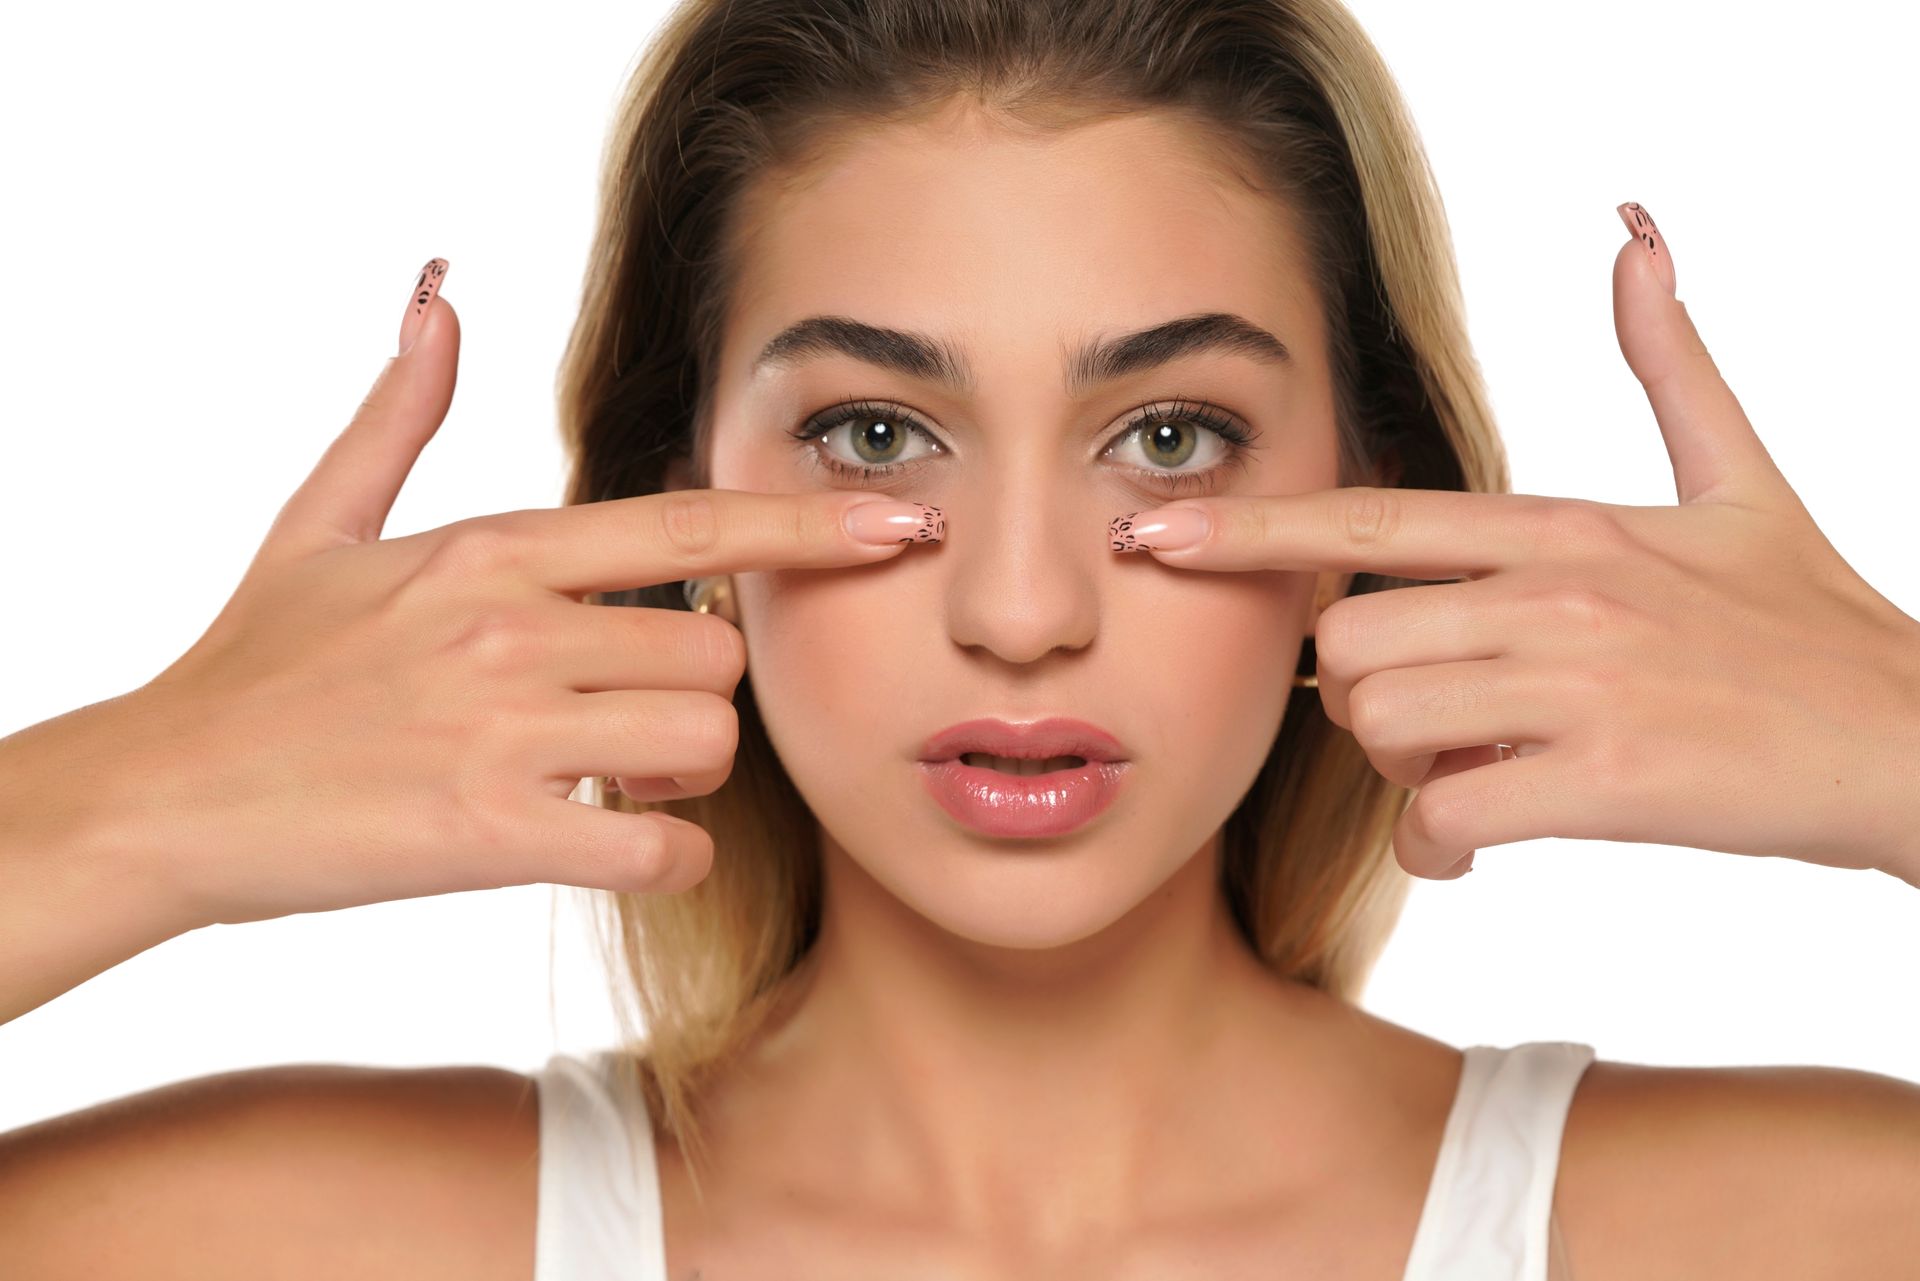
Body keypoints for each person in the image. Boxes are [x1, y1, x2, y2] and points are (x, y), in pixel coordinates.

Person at [3, 0, 1918, 1276]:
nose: (1022, 613)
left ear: (1370, 501)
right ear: (683, 512)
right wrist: (130, 808)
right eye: (874, 432)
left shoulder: (1759, 1226)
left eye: (1169, 438)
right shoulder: (309, 1239)